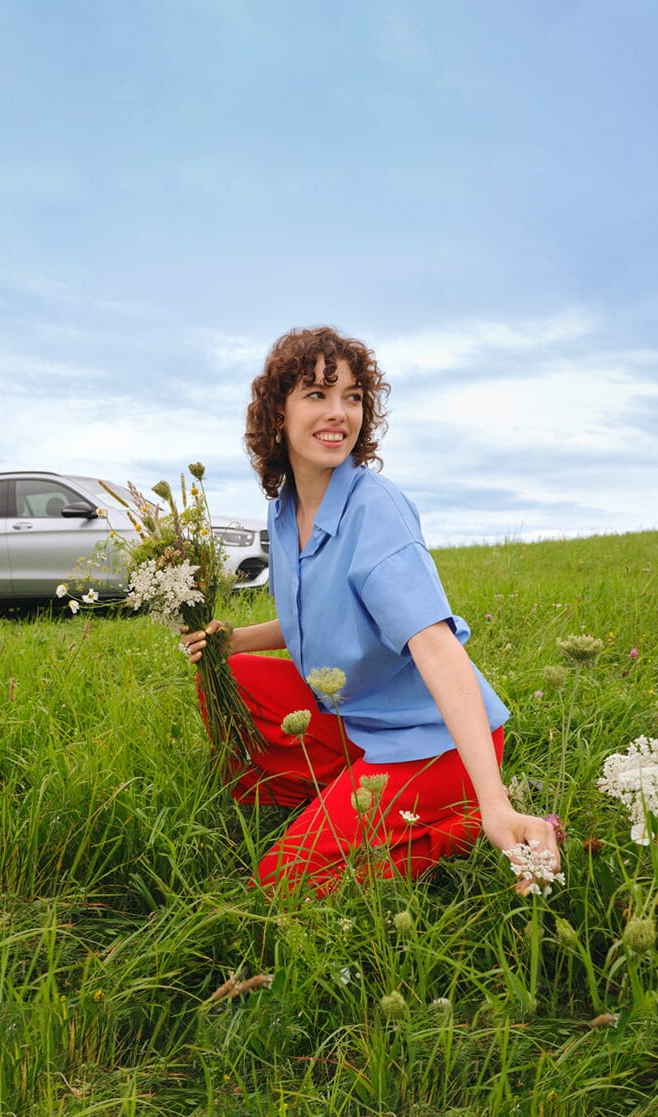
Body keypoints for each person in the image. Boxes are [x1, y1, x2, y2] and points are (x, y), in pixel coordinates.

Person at [183, 326, 560, 895]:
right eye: (317, 394)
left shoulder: (375, 510)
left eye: (353, 397)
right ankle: (341, 798)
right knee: (230, 678)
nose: (339, 413)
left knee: (283, 879)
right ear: (276, 414)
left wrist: (495, 801)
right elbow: (314, 618)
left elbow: (436, 646)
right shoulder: (283, 513)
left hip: (433, 742)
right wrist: (233, 640)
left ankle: (454, 826)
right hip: (355, 721)